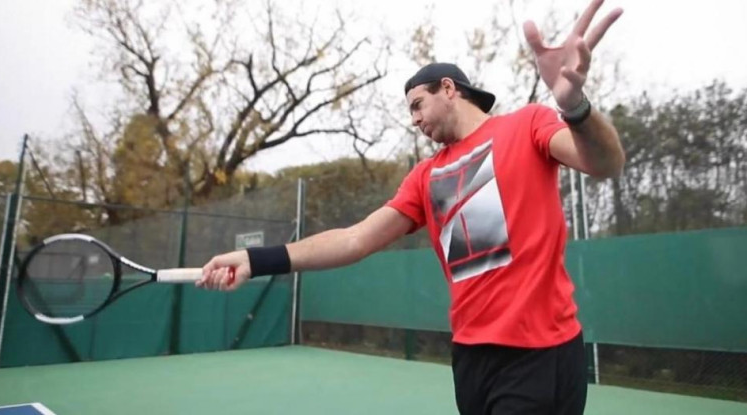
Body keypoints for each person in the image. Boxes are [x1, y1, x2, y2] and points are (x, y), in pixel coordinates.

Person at [197, 0, 624, 413]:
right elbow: (354, 239)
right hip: (471, 358)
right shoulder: (424, 177)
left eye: (417, 104)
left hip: (540, 354)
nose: (414, 119)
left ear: (450, 90)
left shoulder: (527, 124)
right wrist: (256, 260)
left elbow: (604, 163)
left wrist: (574, 107)